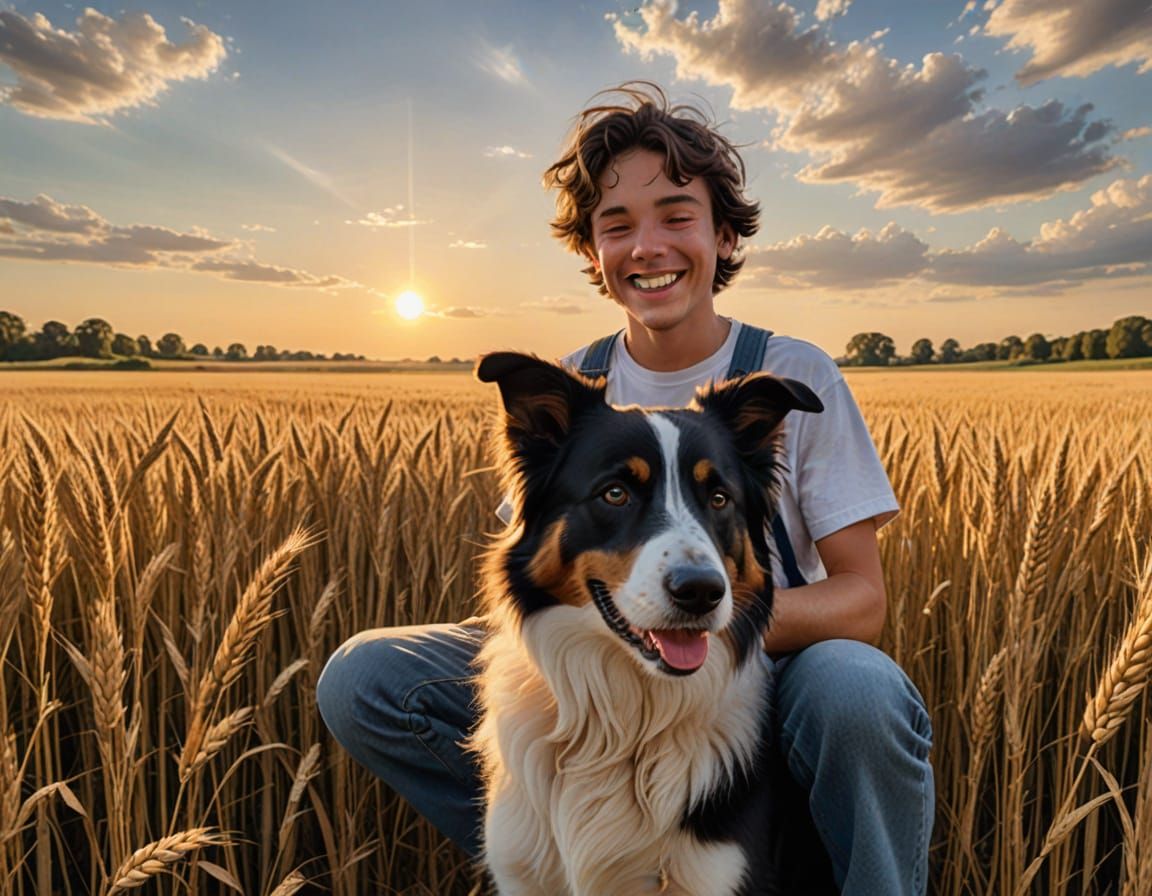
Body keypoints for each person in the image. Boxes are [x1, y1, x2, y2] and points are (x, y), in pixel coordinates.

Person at [317, 82, 935, 895]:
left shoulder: (791, 373)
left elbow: (862, 601)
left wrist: (708, 617)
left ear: (721, 233)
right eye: (617, 226)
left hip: (768, 667)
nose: (649, 246)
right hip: (600, 654)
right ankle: (576, 844)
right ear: (593, 253)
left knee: (857, 692)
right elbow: (540, 561)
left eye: (677, 216)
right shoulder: (577, 384)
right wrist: (592, 636)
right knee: (364, 677)